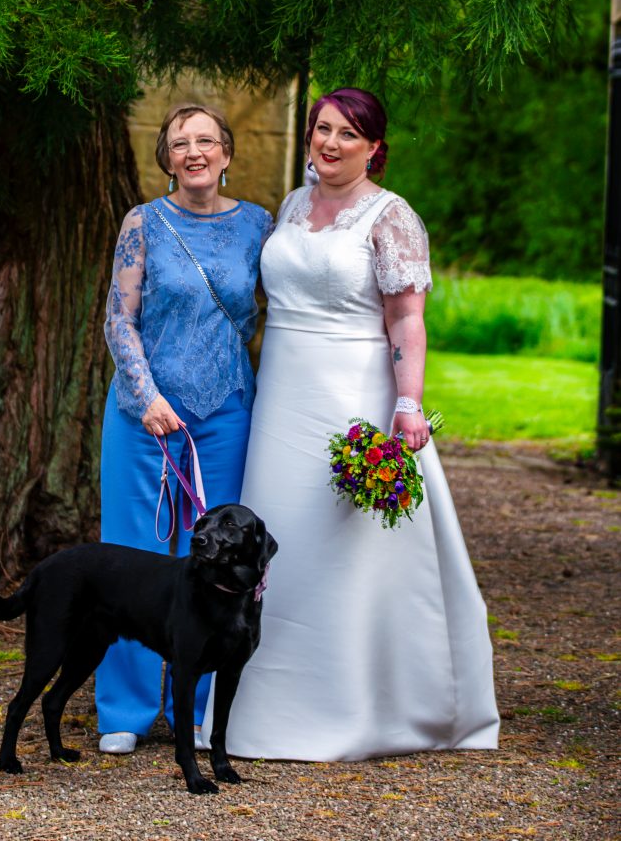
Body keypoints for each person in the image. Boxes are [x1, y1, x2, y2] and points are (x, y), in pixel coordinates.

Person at [206, 87, 499, 760]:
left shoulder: (391, 218)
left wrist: (407, 403)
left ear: (374, 147)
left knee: (347, 544)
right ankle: (252, 711)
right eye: (321, 129)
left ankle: (357, 705)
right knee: (277, 540)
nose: (329, 143)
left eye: (347, 134)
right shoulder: (291, 206)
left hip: (352, 395)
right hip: (282, 392)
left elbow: (406, 318)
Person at [96, 103, 273, 755]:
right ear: (166, 159)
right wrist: (145, 396)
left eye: (206, 140)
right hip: (144, 417)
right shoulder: (143, 223)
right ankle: (126, 708)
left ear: (226, 152)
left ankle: (198, 709)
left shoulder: (260, 224)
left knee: (216, 566)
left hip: (225, 410)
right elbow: (120, 319)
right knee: (133, 556)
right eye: (180, 143)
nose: (194, 152)